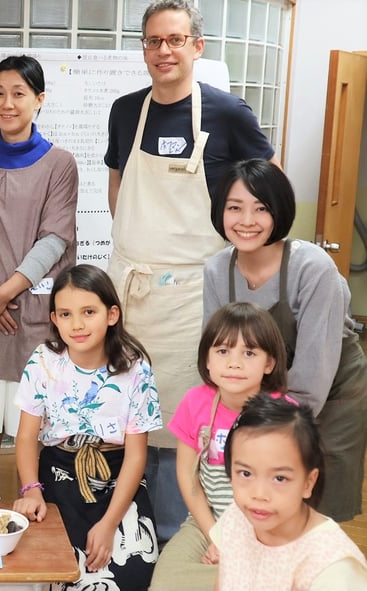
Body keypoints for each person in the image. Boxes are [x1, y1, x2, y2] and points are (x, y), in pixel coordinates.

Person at [103, 0, 277, 543]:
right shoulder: (126, 110)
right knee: (129, 421)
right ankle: (130, 544)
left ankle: (184, 540)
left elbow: (265, 191)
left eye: (175, 40)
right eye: (154, 41)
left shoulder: (229, 114)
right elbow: (117, 188)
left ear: (197, 47)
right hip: (132, 292)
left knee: (187, 424)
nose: (164, 51)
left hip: (193, 298)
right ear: (144, 49)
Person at [203, 158, 367, 523]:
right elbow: (213, 355)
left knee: (316, 500)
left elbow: (312, 378)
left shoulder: (313, 268)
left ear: (280, 211)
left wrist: (267, 436)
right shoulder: (217, 269)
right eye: (234, 208)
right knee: (261, 502)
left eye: (261, 208)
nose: (247, 220)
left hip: (331, 388)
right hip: (258, 392)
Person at [0, 55, 78, 490]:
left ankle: (31, 508)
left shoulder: (59, 164)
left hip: (29, 314)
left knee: (32, 423)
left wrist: (3, 293)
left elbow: (55, 239)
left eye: (19, 93)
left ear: (39, 100)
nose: (8, 103)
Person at [12, 264, 161, 591]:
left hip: (118, 477)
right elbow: (25, 438)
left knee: (133, 575)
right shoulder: (43, 361)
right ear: (54, 319)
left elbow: (136, 456)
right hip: (59, 474)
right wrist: (31, 489)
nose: (76, 324)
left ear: (111, 315)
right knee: (60, 574)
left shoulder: (136, 368)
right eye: (65, 314)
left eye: (88, 312)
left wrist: (109, 525)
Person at [150, 302, 287, 590]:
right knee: (165, 582)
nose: (234, 363)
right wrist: (218, 537)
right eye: (223, 351)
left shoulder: (285, 416)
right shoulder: (195, 403)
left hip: (269, 527)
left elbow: (288, 495)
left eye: (249, 353)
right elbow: (189, 481)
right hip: (206, 521)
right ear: (207, 360)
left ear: (269, 363)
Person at [212, 392, 367, 590]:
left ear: (308, 483)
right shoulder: (238, 515)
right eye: (245, 473)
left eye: (280, 478)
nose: (259, 494)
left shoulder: (333, 567)